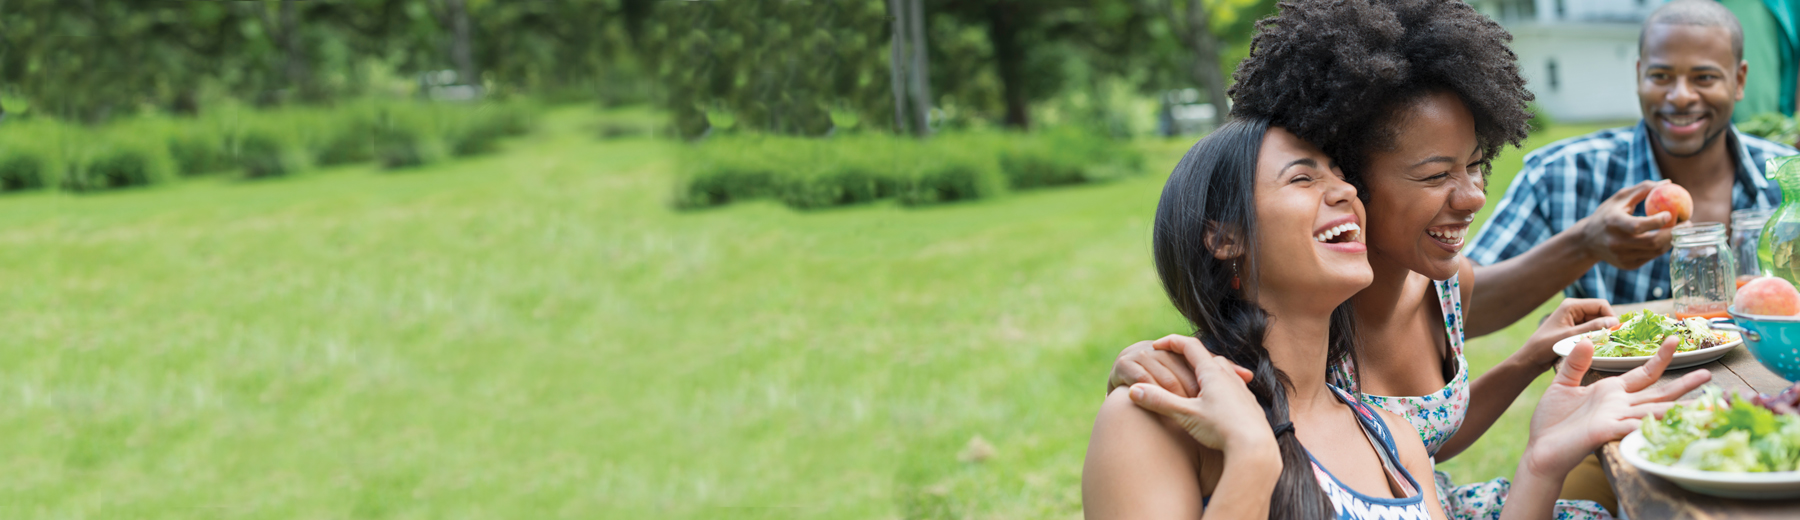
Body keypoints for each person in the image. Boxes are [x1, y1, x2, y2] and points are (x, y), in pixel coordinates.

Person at [1109, 0, 1630, 516]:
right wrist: (1242, 447)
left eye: (1475, 165)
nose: (1473, 196)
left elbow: (1407, 449)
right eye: (1433, 175)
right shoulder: (1233, 373)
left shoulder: (1391, 421)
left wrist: (1535, 379)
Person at [1081, 116, 1711, 520]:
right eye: (1303, 176)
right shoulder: (1159, 415)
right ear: (1223, 239)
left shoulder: (1385, 431)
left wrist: (1543, 457)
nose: (1343, 192)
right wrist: (1250, 460)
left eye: (1340, 175)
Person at [1467, 0, 1798, 333]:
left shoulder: (1785, 177)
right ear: (1639, 75)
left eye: (1705, 77)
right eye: (1661, 76)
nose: (1681, 96)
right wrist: (1583, 246)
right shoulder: (1564, 173)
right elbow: (1454, 309)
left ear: (1739, 80)